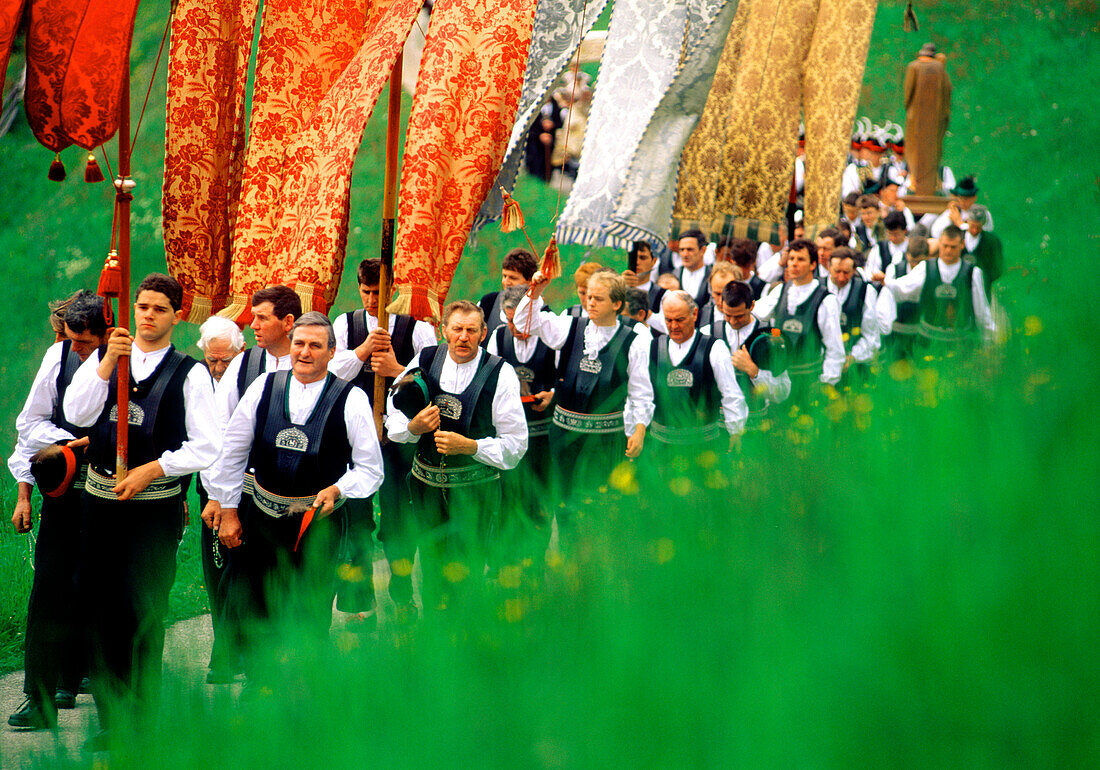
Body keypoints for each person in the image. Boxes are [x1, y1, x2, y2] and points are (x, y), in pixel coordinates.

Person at [63, 274, 220, 746]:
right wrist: (109, 359)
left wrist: (155, 468)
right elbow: (76, 411)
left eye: (159, 309)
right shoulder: (106, 361)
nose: (148, 315)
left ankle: (145, 715)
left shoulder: (189, 372)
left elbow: (207, 445)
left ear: (176, 316)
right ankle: (111, 719)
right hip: (100, 504)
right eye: (142, 306)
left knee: (145, 607)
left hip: (152, 510)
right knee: (101, 609)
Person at [206, 313, 383, 678]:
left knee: (309, 612)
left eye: (315, 345)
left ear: (332, 352)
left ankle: (304, 701)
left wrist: (338, 488)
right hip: (261, 522)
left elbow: (370, 469)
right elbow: (233, 450)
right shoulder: (264, 387)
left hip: (317, 524)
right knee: (256, 608)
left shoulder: (351, 399)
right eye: (299, 343)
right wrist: (228, 509)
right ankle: (259, 694)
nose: (304, 352)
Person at [7, 292, 109, 729]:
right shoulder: (59, 355)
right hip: (67, 486)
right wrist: (73, 441)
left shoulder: (134, 360)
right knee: (50, 586)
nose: (78, 349)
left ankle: (98, 688)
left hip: (115, 491)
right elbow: (29, 424)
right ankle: (40, 694)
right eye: (73, 340)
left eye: (86, 342)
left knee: (103, 586)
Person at [386, 301, 527, 610]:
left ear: (483, 333)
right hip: (425, 491)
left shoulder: (500, 374)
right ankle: (436, 646)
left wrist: (472, 446)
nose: (464, 337)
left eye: (471, 330)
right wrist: (413, 426)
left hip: (475, 493)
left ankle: (466, 646)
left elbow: (516, 445)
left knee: (468, 574)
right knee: (431, 572)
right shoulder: (423, 360)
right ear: (444, 331)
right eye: (457, 329)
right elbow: (392, 412)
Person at [329, 258, 435, 624]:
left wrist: (395, 370)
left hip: (400, 439)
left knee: (399, 518)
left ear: (393, 291)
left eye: (379, 292)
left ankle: (402, 590)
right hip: (356, 437)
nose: (372, 299)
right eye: (367, 292)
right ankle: (360, 604)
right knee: (357, 519)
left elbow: (428, 381)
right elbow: (332, 370)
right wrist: (361, 353)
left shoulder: (417, 327)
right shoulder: (347, 324)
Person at [515, 270, 653, 511]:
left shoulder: (635, 341)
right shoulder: (570, 326)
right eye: (588, 296)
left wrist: (639, 430)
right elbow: (524, 322)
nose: (590, 302)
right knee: (563, 506)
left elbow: (641, 393)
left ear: (617, 304)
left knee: (602, 508)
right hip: (564, 439)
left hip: (606, 441)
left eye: (598, 299)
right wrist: (536, 292)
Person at [487, 286, 557, 566]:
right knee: (506, 502)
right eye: (509, 320)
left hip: (543, 437)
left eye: (521, 321)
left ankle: (535, 564)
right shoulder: (498, 337)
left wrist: (553, 394)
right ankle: (505, 564)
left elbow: (565, 378)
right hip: (508, 437)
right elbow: (487, 377)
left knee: (539, 503)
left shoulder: (553, 338)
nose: (514, 327)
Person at [194, 315, 244, 683]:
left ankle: (239, 650)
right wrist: (209, 495)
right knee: (217, 570)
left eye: (226, 360)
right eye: (213, 360)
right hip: (208, 491)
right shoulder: (196, 380)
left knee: (243, 571)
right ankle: (224, 649)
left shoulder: (251, 374)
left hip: (246, 488)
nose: (219, 367)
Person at [647, 291, 746, 465]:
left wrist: (736, 432)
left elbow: (731, 394)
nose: (673, 326)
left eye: (679, 320)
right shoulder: (653, 347)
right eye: (668, 320)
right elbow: (641, 395)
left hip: (704, 447)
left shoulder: (715, 348)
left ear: (694, 314)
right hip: (661, 447)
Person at [751, 239, 845, 405]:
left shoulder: (826, 300)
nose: (794, 264)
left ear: (813, 264)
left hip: (811, 382)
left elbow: (834, 349)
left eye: (800, 259)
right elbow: (753, 313)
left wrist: (826, 383)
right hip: (779, 382)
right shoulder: (780, 291)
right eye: (791, 259)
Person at [884, 224, 995, 349]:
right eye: (945, 246)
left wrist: (988, 340)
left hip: (960, 343)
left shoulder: (972, 273)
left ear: (962, 245)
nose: (948, 250)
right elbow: (902, 288)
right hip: (928, 342)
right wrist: (885, 282)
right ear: (939, 243)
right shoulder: (925, 268)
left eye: (953, 247)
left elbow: (981, 310)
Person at [705, 280, 791, 429]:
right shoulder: (707, 334)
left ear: (751, 306)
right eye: (727, 315)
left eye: (738, 316)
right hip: (718, 426)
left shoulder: (769, 337)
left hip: (758, 424)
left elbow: (783, 392)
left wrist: (754, 372)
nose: (732, 321)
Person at [215, 285, 302, 422]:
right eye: (254, 317)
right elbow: (221, 420)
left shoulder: (310, 365)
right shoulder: (243, 362)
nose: (253, 325)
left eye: (262, 318)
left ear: (288, 322)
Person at [825, 247, 880, 386]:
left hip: (855, 365)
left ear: (854, 270)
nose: (841, 277)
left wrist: (852, 356)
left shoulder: (865, 291)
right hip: (822, 366)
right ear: (828, 267)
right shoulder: (817, 289)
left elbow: (871, 336)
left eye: (846, 272)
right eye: (837, 271)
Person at [904, 42, 952, 197]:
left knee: (914, 150)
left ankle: (915, 183)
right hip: (935, 122)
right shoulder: (940, 69)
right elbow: (947, 91)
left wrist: (909, 109)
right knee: (933, 150)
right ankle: (932, 183)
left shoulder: (914, 67)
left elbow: (908, 93)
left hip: (915, 121)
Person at [876, 236, 930, 361]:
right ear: (906, 255)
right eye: (912, 261)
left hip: (920, 331)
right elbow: (887, 300)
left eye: (919, 262)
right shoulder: (894, 269)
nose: (915, 265)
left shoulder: (929, 271)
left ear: (927, 258)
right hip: (896, 330)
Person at [477, 248, 540, 342]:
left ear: (530, 281)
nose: (506, 282)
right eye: (504, 276)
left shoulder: (539, 312)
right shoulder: (488, 303)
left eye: (513, 278)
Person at [963, 204, 1002, 298]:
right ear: (967, 221)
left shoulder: (992, 241)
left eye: (978, 227)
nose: (975, 230)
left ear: (983, 224)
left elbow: (997, 267)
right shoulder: (958, 237)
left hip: (982, 288)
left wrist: (985, 279)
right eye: (972, 226)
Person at [196, 316, 244, 383]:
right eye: (212, 361)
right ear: (205, 352)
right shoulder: (195, 377)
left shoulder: (254, 374)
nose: (219, 369)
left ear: (241, 350)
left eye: (226, 360)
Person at [672, 229, 712, 309]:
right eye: (682, 250)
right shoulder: (674, 275)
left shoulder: (712, 275)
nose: (685, 254)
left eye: (690, 249)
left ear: (703, 250)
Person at [622, 240, 666, 312]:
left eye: (642, 257)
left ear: (654, 261)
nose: (637, 262)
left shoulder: (663, 296)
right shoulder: (616, 290)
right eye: (632, 258)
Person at [865, 210, 909, 281]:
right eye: (889, 234)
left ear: (905, 231)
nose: (892, 238)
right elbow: (870, 271)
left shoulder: (911, 248)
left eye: (896, 234)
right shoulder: (879, 248)